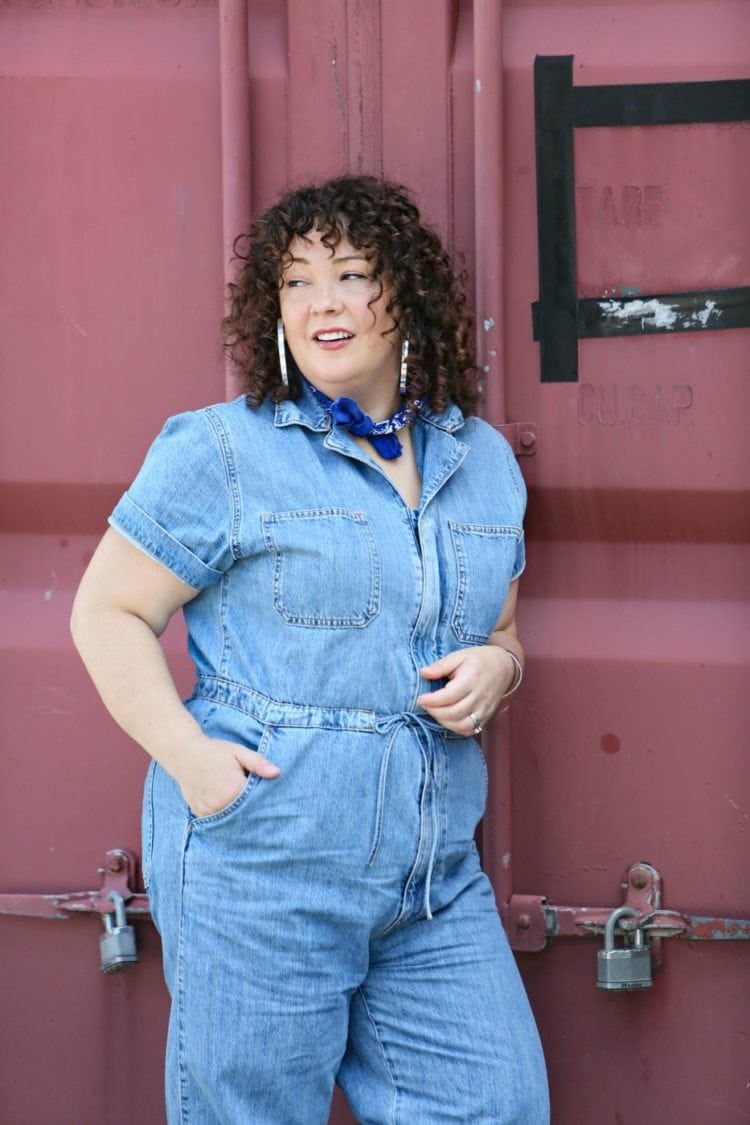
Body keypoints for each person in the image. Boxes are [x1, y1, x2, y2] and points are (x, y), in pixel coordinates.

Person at [70, 174, 549, 1125]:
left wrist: (503, 667)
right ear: (272, 307)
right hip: (264, 862)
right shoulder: (224, 453)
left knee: (494, 1104)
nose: (322, 302)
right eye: (296, 282)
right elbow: (107, 611)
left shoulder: (482, 460)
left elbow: (498, 627)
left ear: (405, 293)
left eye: (352, 274)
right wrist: (194, 763)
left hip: (431, 878)